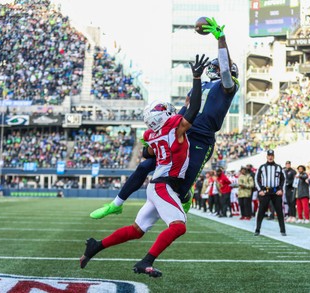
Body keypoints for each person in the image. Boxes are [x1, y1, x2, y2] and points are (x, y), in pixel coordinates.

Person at [89, 17, 239, 219]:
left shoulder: (227, 87)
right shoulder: (201, 86)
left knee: (181, 189)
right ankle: (116, 203)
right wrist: (165, 130)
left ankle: (186, 195)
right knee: (145, 164)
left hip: (201, 138)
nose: (215, 68)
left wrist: (221, 39)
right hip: (182, 131)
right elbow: (185, 109)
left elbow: (225, 68)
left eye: (219, 66)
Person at [79, 54, 207, 278]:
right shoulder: (174, 130)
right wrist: (196, 78)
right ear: (165, 116)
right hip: (163, 186)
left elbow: (150, 151)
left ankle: (95, 247)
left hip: (157, 185)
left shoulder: (153, 135)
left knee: (136, 231)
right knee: (179, 226)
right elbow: (194, 109)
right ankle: (146, 261)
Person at [254, 150, 286, 236]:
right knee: (261, 211)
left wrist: (281, 190)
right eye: (269, 155)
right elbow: (256, 179)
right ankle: (257, 229)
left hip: (276, 191)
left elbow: (283, 179)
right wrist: (260, 190)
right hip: (265, 191)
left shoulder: (279, 167)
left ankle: (283, 230)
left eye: (271, 155)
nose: (270, 157)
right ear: (267, 156)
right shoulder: (262, 167)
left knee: (279, 211)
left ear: (274, 156)